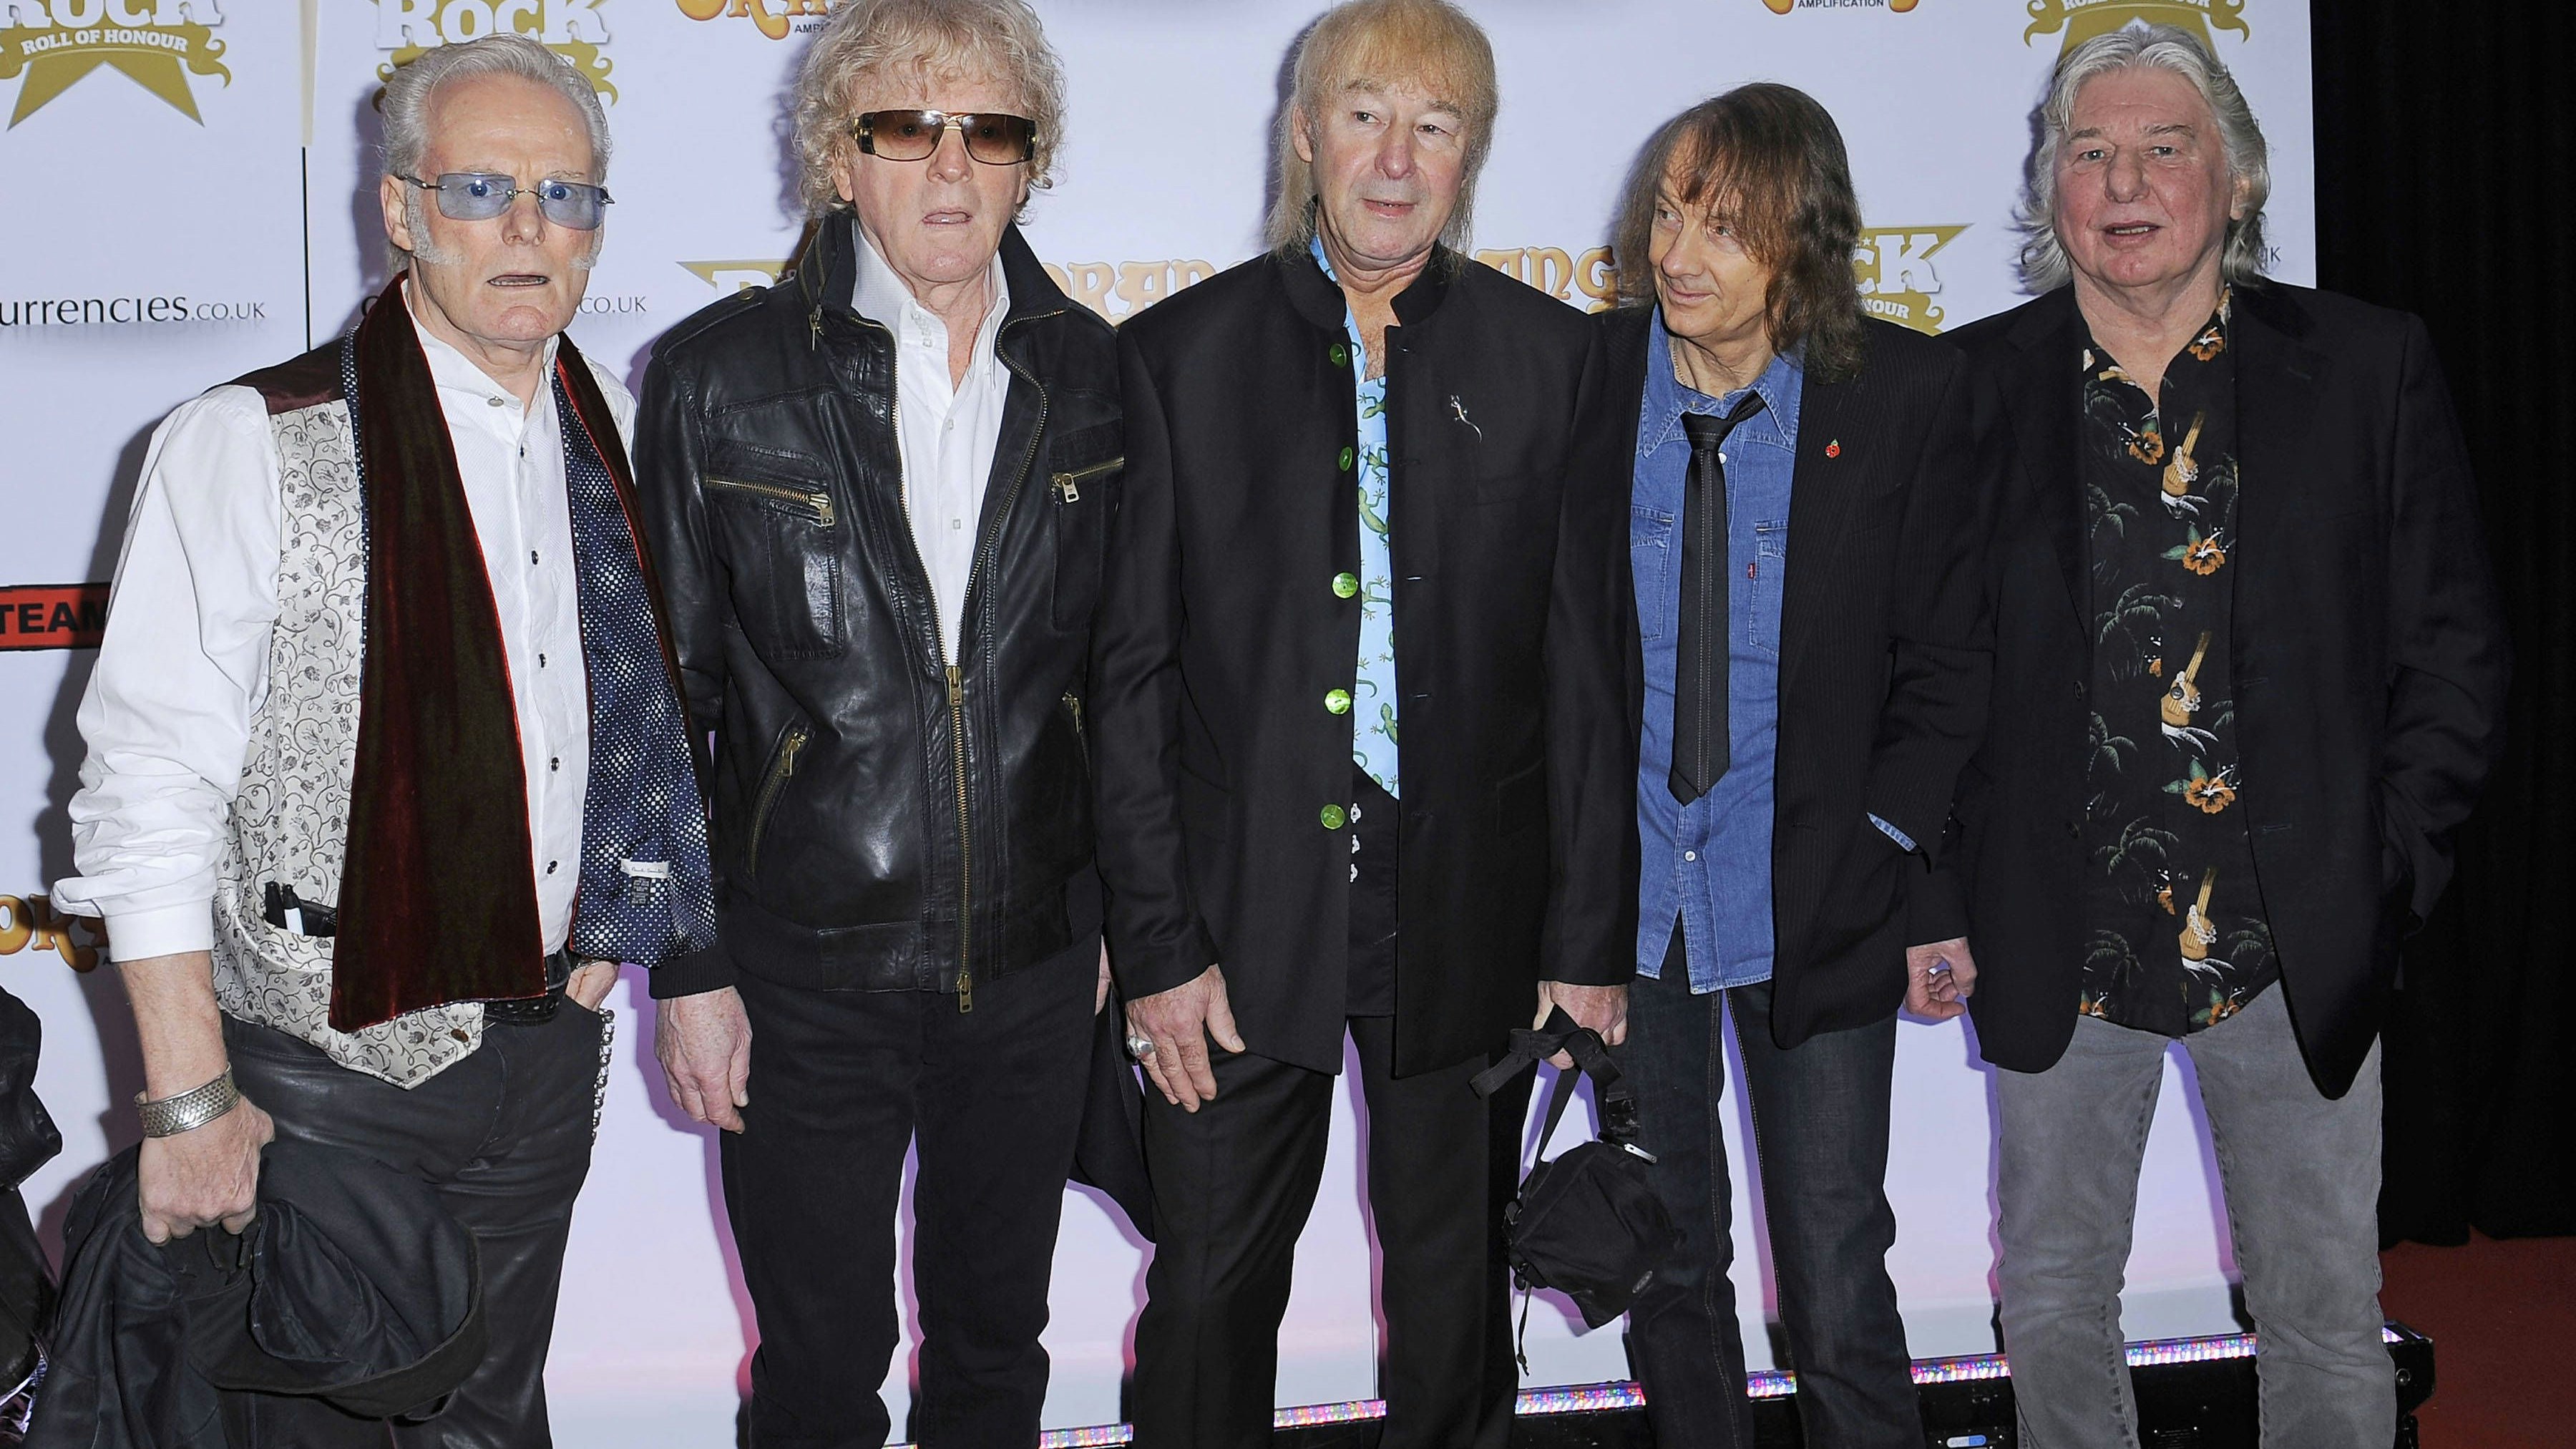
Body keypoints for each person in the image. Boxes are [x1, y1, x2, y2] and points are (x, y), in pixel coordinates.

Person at [52, 33, 701, 1445]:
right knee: (320, 1428)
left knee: (490, 1421)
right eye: (483, 188)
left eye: (568, 196)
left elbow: (655, 726)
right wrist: (184, 1097)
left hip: (544, 1057)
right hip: (321, 1072)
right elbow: (150, 783)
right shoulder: (252, 439)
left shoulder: (624, 442)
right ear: (402, 210)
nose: (530, 229)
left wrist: (641, 930)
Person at [1941, 22, 2508, 1445]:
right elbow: (1922, 670)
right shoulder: (1965, 391)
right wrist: (1935, 894)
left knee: (2323, 1306)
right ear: (2051, 185)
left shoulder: (2367, 367)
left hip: (2294, 934)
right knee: (2056, 1298)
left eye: (2165, 147)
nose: (2124, 182)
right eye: (2091, 151)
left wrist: (2385, 877)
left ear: (2238, 181)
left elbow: (2454, 652)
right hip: (2057, 939)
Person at [1090, 2, 1635, 1444]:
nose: (1396, 160)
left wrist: (1585, 942)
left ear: (1471, 157)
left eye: (1436, 127)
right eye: (1366, 115)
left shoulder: (1554, 361)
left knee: (1458, 1295)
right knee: (1208, 1288)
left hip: (1469, 909)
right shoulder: (1175, 356)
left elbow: (1590, 677)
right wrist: (1155, 948)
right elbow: (1129, 679)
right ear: (1305, 133)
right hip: (1236, 914)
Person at [633, 1, 1120, 1444]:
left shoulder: (1095, 373)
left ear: (1032, 163)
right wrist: (690, 962)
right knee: (816, 1369)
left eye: (991, 130)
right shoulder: (719, 375)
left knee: (996, 1352)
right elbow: (667, 697)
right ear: (842, 158)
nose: (952, 165)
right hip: (802, 975)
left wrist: (1107, 919)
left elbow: (1130, 673)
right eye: (907, 127)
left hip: (1032, 968)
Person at [1596, 83, 1991, 1449]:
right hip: (1632, 914)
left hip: (1813, 903)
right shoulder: (1590, 389)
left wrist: (1886, 854)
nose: (1680, 253)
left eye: (1726, 226)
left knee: (1834, 1273)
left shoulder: (1901, 398)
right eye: (1668, 211)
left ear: (1803, 245)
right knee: (1667, 1270)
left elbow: (1947, 667)